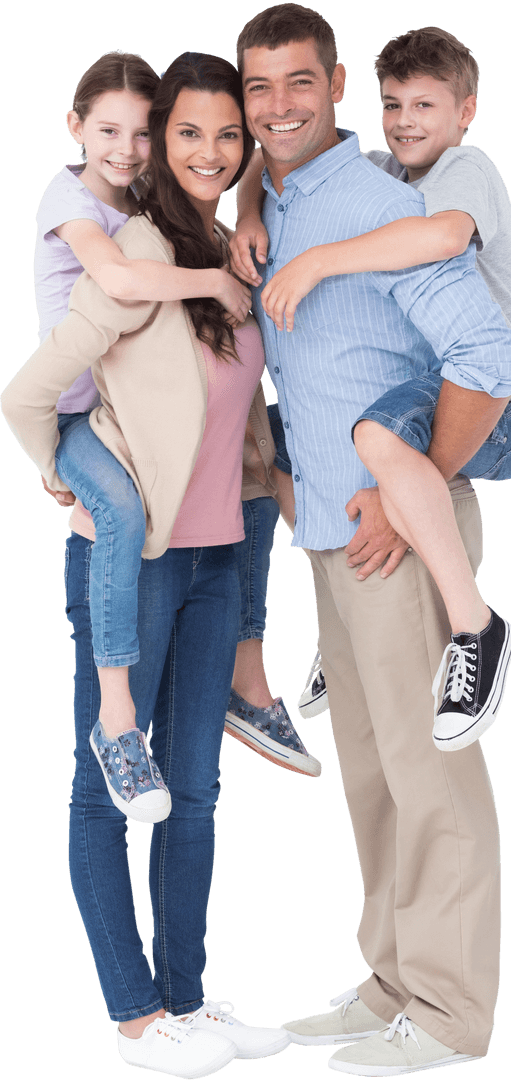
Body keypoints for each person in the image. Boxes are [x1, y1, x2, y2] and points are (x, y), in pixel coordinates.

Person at [233, 4, 511, 1073]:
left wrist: (418, 483)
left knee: (429, 777)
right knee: (370, 776)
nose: (276, 106)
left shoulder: (373, 203)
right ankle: (390, 983)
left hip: (394, 536)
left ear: (337, 83)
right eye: (257, 87)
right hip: (327, 535)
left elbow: (488, 359)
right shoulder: (276, 199)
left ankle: (449, 1018)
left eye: (296, 83)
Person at [1, 50, 292, 1077]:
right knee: (102, 793)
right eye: (188, 134)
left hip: (216, 557)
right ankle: (134, 1022)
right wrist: (56, 472)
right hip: (133, 560)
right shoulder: (124, 245)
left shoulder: (225, 243)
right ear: (154, 145)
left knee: (197, 794)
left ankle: (185, 1003)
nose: (209, 152)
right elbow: (29, 391)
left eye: (229, 134)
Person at [231, 24, 511, 749]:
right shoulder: (386, 170)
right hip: (441, 385)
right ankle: (336, 636)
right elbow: (268, 155)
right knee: (275, 444)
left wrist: (315, 264)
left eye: (426, 107)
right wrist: (248, 210)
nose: (406, 122)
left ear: (466, 111)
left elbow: (437, 240)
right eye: (395, 105)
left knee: (371, 435)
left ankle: (479, 628)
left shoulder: (468, 169)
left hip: (508, 402)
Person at [27, 49, 320, 782]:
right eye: (110, 134)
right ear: (77, 128)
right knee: (122, 512)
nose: (123, 152)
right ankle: (118, 718)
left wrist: (246, 212)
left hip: (155, 464)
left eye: (137, 135)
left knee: (276, 452)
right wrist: (49, 468)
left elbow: (238, 164)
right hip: (77, 426)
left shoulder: (156, 209)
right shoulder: (87, 216)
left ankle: (263, 668)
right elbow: (123, 281)